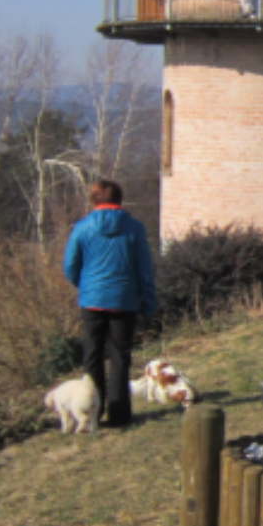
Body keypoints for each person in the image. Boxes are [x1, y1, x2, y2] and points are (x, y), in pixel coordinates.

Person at [63, 180, 157, 428]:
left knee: (92, 355)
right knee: (120, 356)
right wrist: (148, 301)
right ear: (119, 199)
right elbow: (144, 269)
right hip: (124, 300)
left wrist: (84, 285)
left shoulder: (82, 228)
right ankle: (119, 414)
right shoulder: (134, 228)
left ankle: (93, 409)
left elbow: (70, 265)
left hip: (92, 300)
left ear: (94, 200)